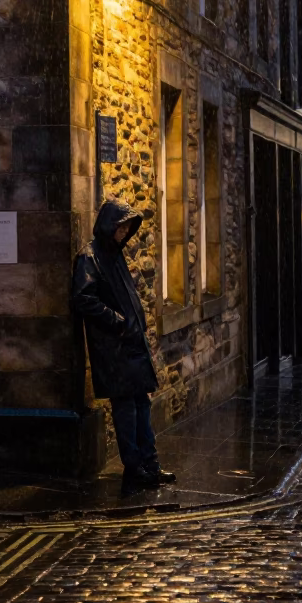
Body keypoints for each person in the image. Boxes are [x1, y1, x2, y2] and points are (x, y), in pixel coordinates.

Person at [72, 199, 176, 489]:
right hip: (114, 348)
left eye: (128, 228)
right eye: (121, 227)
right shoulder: (90, 257)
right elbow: (83, 298)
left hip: (130, 344)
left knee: (141, 404)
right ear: (109, 225)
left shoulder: (113, 254)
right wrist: (117, 321)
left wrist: (134, 325)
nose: (125, 232)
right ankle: (134, 467)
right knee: (126, 409)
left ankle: (150, 465)